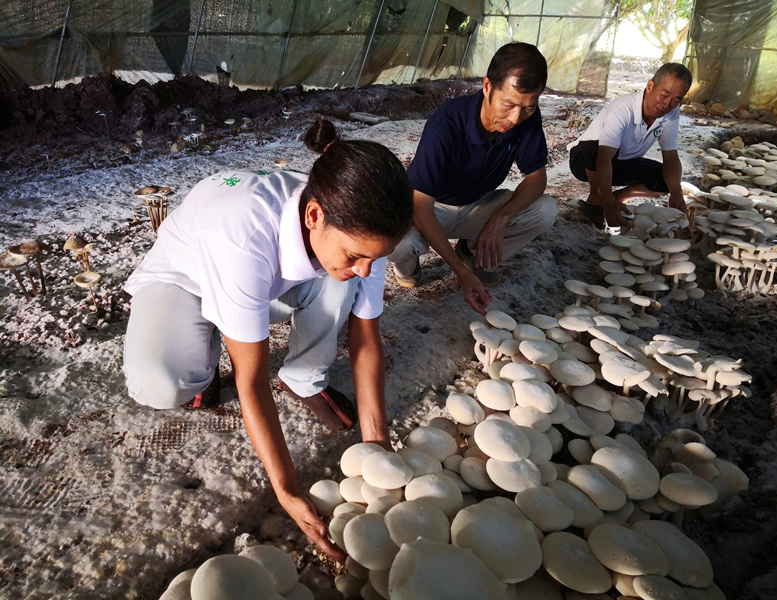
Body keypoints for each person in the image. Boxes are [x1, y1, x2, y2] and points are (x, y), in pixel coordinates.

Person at [123, 119, 413, 562]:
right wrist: (287, 489)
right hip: (186, 282)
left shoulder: (358, 227)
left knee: (343, 282)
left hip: (262, 284)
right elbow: (251, 380)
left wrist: (378, 447)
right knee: (161, 383)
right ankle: (204, 349)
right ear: (313, 216)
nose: (367, 269)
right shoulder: (245, 235)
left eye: (375, 258)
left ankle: (302, 376)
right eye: (358, 256)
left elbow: (366, 339)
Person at [387, 42, 558, 314]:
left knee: (545, 210)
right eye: (508, 104)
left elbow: (537, 178)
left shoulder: (527, 117)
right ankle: (409, 266)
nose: (515, 118)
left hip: (477, 205)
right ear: (487, 86)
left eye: (527, 107)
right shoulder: (446, 124)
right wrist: (460, 273)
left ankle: (471, 252)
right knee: (398, 242)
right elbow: (420, 207)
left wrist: (500, 217)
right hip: (432, 208)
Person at [569, 62, 693, 228]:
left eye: (676, 100)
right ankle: (597, 199)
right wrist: (607, 200)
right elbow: (605, 156)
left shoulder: (672, 114)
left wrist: (677, 193)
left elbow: (671, 157)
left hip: (622, 163)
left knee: (667, 181)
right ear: (650, 86)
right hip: (586, 161)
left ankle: (619, 197)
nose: (667, 105)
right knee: (600, 150)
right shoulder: (623, 107)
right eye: (664, 96)